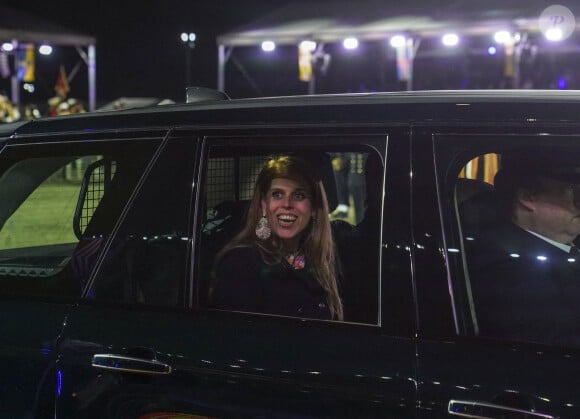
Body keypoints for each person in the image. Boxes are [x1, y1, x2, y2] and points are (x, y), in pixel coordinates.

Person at [466, 150, 580, 347]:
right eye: (578, 194)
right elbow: (555, 352)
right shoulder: (512, 275)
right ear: (528, 197)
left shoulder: (555, 245)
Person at [211, 155, 344, 321]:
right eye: (277, 194)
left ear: (314, 208)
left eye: (299, 195)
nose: (287, 204)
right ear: (264, 205)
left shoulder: (321, 259)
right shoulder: (241, 264)